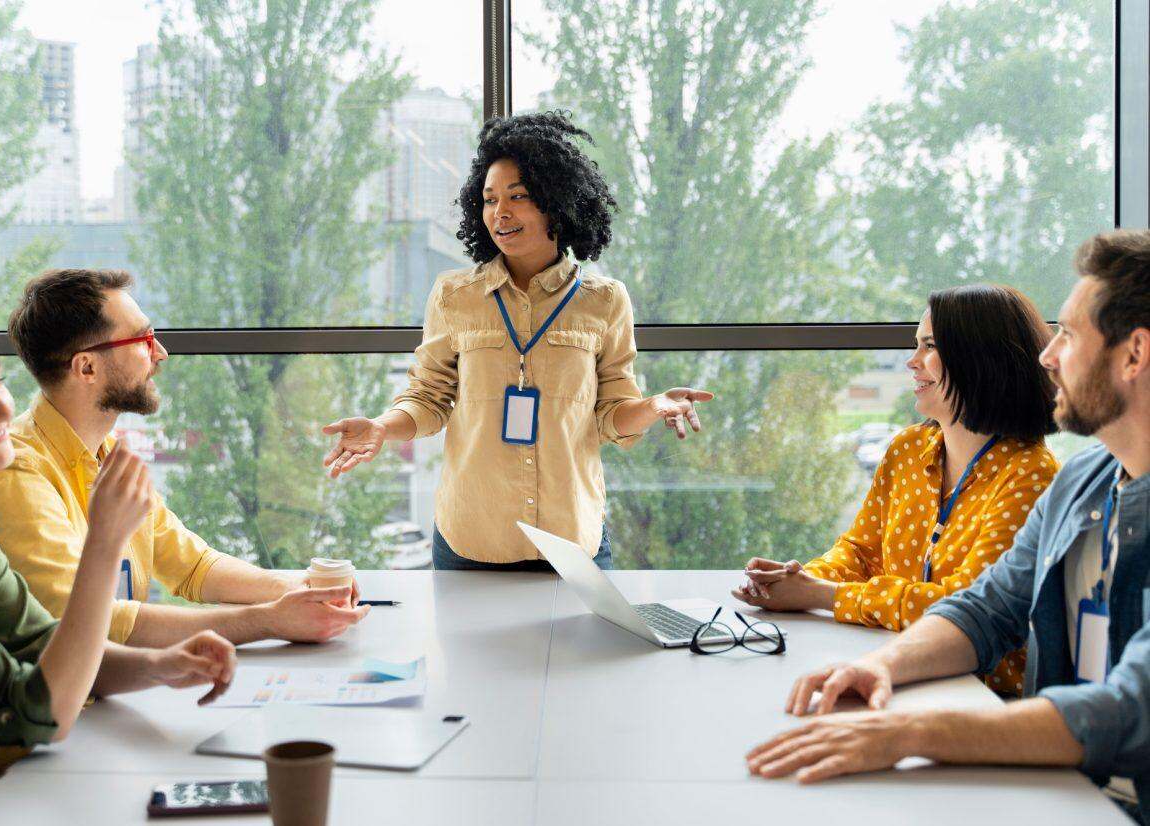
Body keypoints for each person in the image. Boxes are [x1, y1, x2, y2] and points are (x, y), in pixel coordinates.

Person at [745, 230, 1150, 824]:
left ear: (1134, 354)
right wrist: (880, 666)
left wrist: (913, 732)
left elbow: (1129, 708)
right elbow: (984, 611)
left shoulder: (1034, 472)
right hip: (1068, 795)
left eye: (1067, 333)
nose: (1048, 355)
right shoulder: (1080, 485)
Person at [322, 111, 713, 570]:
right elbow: (429, 398)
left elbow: (611, 416)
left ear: (556, 201)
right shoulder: (454, 295)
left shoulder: (605, 301)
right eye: (489, 200)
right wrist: (383, 427)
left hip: (572, 541)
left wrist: (653, 407)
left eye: (518, 197)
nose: (499, 213)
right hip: (472, 540)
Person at [0, 302, 237, 825]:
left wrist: (160, 665)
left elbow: (44, 643)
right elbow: (35, 713)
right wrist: (105, 545)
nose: (1, 409)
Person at [0, 269, 368, 647]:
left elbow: (193, 566)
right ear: (87, 366)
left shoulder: (106, 456)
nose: (160, 353)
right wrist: (267, 621)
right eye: (143, 340)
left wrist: (299, 589)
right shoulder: (16, 474)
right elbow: (84, 621)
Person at [735, 284, 1059, 694]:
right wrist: (795, 581)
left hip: (979, 693)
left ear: (978, 358)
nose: (912, 361)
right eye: (915, 345)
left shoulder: (1031, 473)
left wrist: (822, 595)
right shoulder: (908, 448)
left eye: (929, 346)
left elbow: (961, 609)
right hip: (891, 662)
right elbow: (860, 552)